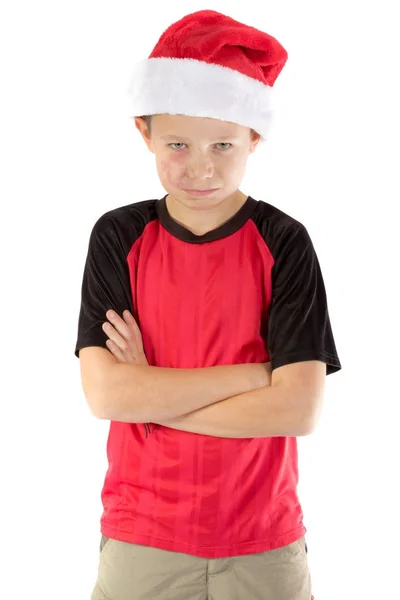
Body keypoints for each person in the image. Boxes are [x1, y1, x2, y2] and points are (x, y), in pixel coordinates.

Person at [74, 9, 341, 600]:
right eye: (177, 143)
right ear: (143, 133)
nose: (200, 167)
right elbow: (106, 396)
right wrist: (256, 377)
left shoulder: (283, 241)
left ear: (254, 137)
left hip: (264, 541)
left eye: (223, 143)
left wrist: (150, 392)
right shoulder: (119, 237)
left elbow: (298, 410)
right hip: (142, 534)